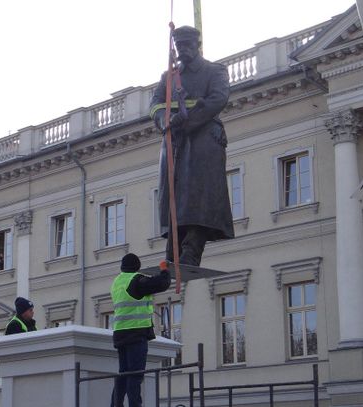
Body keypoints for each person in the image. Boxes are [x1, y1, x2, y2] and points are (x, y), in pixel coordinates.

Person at [150, 26, 234, 267]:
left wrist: (186, 120)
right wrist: (164, 120)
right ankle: (173, 250)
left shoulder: (214, 71)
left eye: (187, 45)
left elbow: (218, 99)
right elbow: (155, 104)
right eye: (179, 47)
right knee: (173, 196)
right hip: (174, 139)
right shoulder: (169, 77)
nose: (183, 51)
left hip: (203, 138)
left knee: (198, 196)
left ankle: (192, 249)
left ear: (197, 45)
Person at [110, 253, 171, 407]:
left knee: (123, 373)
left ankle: (115, 404)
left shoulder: (117, 282)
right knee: (135, 374)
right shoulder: (136, 280)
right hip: (135, 334)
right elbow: (162, 283)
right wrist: (164, 270)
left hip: (120, 333)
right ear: (137, 267)